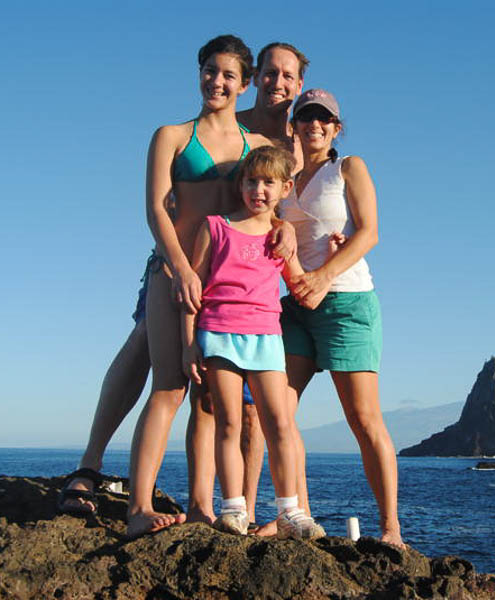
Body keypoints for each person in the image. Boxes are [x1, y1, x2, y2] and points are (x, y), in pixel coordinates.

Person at [126, 34, 277, 538]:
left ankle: (199, 507)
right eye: (210, 70)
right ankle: (138, 509)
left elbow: (277, 205)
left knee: (208, 400)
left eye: (229, 75)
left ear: (245, 84)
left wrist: (292, 232)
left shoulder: (258, 147)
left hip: (228, 287)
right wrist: (181, 269)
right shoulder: (172, 135)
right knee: (168, 386)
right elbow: (155, 209)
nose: (217, 81)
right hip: (175, 274)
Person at [279, 89, 404, 547]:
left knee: (363, 417)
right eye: (305, 117)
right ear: (294, 124)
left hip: (347, 302)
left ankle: (390, 528)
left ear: (336, 128)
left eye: (323, 119)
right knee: (277, 415)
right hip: (295, 306)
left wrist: (324, 275)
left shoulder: (348, 167)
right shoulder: (284, 177)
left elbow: (369, 231)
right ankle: (297, 515)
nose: (314, 124)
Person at [182, 145, 326, 538]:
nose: (258, 189)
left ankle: (291, 512)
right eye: (251, 181)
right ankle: (233, 509)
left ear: (285, 188)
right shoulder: (215, 227)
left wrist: (331, 258)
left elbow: (300, 286)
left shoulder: (282, 236)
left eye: (268, 182)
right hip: (219, 335)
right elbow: (194, 290)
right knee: (227, 422)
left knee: (278, 423)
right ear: (241, 184)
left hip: (266, 338)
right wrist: (189, 343)